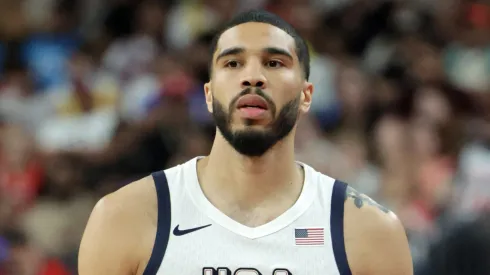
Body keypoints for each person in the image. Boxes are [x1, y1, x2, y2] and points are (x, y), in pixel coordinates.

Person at [78, 10, 413, 275]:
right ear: (208, 94)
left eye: (274, 62)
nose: (252, 76)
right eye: (233, 63)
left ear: (306, 95)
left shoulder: (369, 230)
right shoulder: (124, 217)